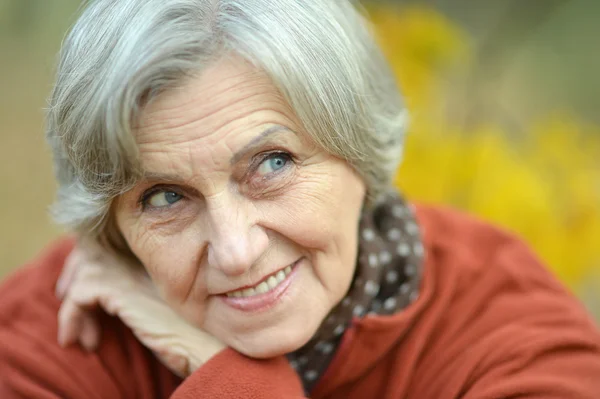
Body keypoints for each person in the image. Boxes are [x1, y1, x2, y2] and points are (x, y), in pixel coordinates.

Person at [1, 0, 599, 397]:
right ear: (112, 226)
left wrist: (216, 370)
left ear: (359, 149)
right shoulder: (46, 337)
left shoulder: (503, 329)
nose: (235, 252)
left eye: (274, 163)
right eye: (163, 197)